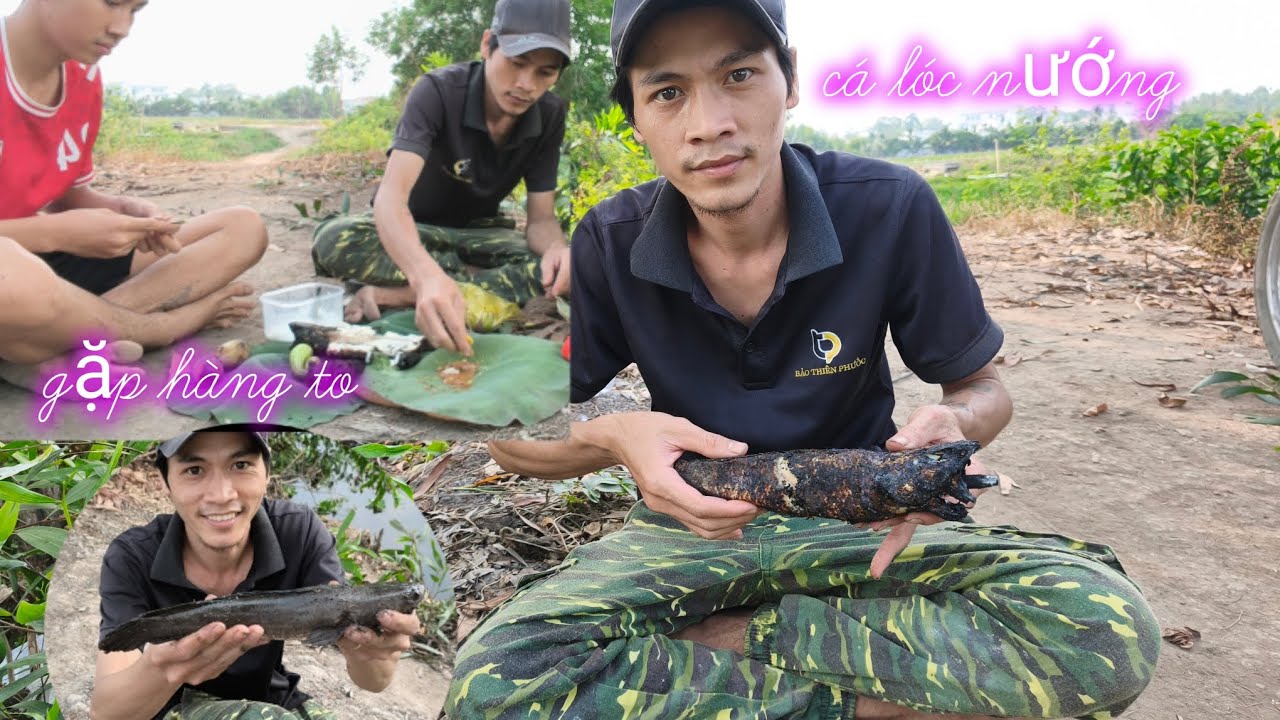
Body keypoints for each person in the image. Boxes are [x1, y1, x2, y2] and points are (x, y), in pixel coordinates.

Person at [444, 1, 1161, 718]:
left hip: (861, 524)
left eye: (739, 74)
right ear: (635, 118)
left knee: (1105, 629)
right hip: (692, 534)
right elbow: (516, 437)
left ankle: (711, 644)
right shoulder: (608, 240)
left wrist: (958, 421)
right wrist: (614, 437)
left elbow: (981, 387)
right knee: (495, 680)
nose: (708, 123)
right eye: (668, 92)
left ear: (790, 80)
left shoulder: (889, 206)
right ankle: (883, 702)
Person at [0, 0, 269, 367]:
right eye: (112, 3)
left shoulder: (84, 78)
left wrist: (122, 211)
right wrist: (56, 234)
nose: (122, 27)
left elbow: (68, 195)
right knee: (12, 273)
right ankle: (160, 328)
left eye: (135, 10)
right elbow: (52, 230)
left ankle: (51, 343)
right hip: (13, 272)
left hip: (43, 271)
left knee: (242, 228)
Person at [92, 427, 421, 720]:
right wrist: (163, 668)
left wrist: (365, 649)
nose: (222, 495)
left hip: (272, 699)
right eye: (194, 469)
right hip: (168, 707)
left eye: (241, 465)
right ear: (166, 482)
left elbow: (375, 682)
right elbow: (107, 712)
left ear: (267, 473)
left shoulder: (299, 532)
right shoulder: (131, 555)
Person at [311, 0, 573, 357]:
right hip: (413, 229)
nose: (526, 84)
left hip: (480, 235)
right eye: (517, 63)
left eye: (545, 72)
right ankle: (445, 284)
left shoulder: (550, 114)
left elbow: (541, 220)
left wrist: (558, 251)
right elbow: (391, 200)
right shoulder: (437, 92)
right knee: (334, 240)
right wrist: (424, 273)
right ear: (487, 45)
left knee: (569, 268)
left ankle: (395, 294)